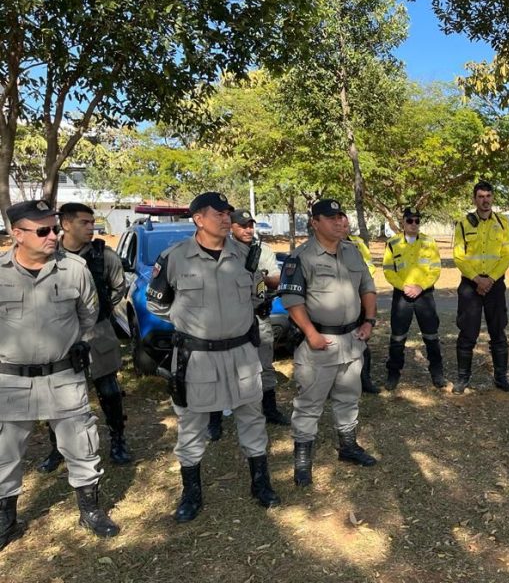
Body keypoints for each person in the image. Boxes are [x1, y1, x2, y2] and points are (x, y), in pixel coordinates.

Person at [147, 192, 280, 523]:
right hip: (197, 356)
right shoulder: (174, 257)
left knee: (252, 416)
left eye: (228, 213)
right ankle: (191, 492)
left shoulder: (245, 255)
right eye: (218, 213)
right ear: (198, 219)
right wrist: (193, 325)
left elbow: (253, 295)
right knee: (192, 423)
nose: (226, 218)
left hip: (241, 352)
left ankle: (260, 483)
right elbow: (158, 304)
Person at [1, 200, 120, 550]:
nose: (53, 235)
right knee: (5, 453)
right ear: (16, 234)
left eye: (54, 228)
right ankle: (6, 519)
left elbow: (89, 315)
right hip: (10, 379)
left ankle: (90, 510)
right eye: (42, 231)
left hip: (63, 376)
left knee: (82, 445)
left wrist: (78, 345)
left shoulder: (75, 269)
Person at [279, 199, 378, 487]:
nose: (339, 222)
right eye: (332, 218)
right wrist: (310, 333)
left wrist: (369, 321)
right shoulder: (302, 257)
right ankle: (302, 459)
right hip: (319, 342)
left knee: (348, 397)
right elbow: (292, 300)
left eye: (341, 217)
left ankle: (348, 446)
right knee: (310, 403)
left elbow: (367, 287)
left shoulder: (352, 251)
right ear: (315, 222)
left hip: (351, 340)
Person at [36, 203, 132, 472]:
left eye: (92, 222)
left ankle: (118, 440)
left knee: (109, 389)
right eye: (84, 222)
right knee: (54, 394)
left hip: (97, 331)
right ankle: (57, 447)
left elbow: (118, 287)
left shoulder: (103, 255)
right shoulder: (46, 254)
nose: (91, 227)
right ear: (65, 224)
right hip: (57, 336)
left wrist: (97, 312)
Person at [452, 180, 509, 394]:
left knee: (498, 331)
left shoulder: (503, 223)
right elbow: (459, 257)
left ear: (492, 198)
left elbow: (507, 255)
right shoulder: (463, 224)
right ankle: (462, 379)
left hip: (495, 285)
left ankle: (501, 377)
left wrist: (491, 279)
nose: (485, 200)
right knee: (468, 332)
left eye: (488, 196)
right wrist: (478, 280)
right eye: (480, 196)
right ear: (474, 199)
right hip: (471, 285)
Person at [231, 209, 289, 424]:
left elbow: (276, 279)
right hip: (234, 319)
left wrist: (260, 276)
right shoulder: (225, 251)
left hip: (259, 315)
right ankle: (225, 413)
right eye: (242, 225)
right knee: (233, 365)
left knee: (265, 363)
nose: (248, 230)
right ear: (231, 227)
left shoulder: (262, 250)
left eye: (250, 225)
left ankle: (270, 409)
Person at [382, 206, 445, 390]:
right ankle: (393, 374)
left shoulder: (429, 242)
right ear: (403, 222)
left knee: (431, 336)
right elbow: (388, 270)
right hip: (402, 296)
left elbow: (435, 269)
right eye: (410, 220)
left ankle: (437, 373)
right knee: (397, 337)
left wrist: (420, 287)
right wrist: (404, 287)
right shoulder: (393, 243)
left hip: (424, 296)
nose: (414, 224)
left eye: (417, 220)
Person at [341, 212, 380, 394]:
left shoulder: (356, 243)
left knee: (362, 340)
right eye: (338, 224)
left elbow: (369, 265)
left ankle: (365, 380)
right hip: (336, 303)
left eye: (345, 225)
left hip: (359, 297)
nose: (343, 228)